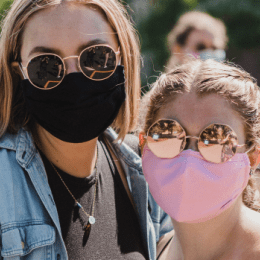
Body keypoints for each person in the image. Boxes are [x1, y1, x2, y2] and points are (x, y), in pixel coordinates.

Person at [0, 0, 172, 259]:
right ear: (18, 73)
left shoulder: (147, 171)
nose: (73, 77)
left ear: (122, 58)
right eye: (45, 65)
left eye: (96, 57)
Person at [139, 59, 260, 259]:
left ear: (254, 156)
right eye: (168, 133)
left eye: (217, 138)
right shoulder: (154, 250)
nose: (189, 159)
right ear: (143, 144)